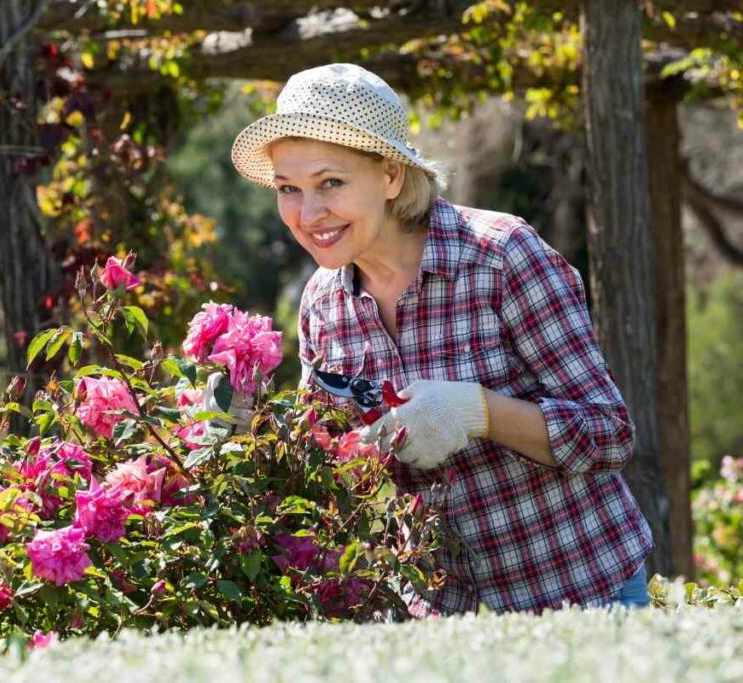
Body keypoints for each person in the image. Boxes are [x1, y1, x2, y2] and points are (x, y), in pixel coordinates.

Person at [228, 63, 653, 614]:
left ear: (391, 176)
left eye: (331, 182)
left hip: (582, 594)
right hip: (442, 615)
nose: (308, 214)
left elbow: (610, 434)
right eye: (289, 189)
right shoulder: (323, 304)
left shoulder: (502, 258)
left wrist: (478, 411)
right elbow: (327, 468)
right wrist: (246, 431)